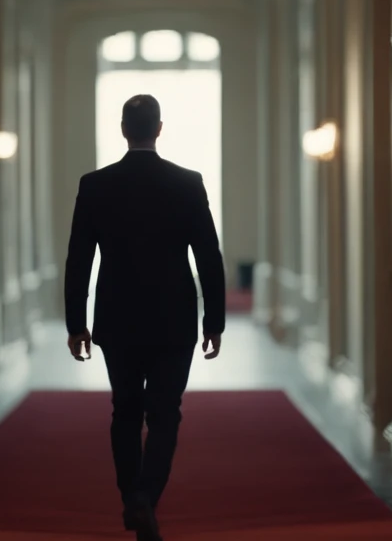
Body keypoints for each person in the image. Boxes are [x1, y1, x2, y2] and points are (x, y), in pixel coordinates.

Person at [64, 94, 226, 541]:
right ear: (159, 129)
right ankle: (145, 498)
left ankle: (131, 496)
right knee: (166, 414)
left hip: (117, 318)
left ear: (122, 129)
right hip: (174, 318)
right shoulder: (187, 183)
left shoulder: (95, 185)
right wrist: (215, 320)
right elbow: (208, 257)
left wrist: (75, 323)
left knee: (125, 410)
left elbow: (79, 258)